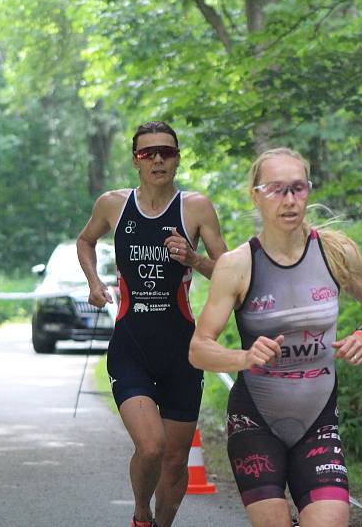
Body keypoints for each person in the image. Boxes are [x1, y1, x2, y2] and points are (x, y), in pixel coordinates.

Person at [189, 147, 362, 527]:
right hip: (255, 421)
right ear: (255, 195)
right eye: (276, 189)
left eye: (298, 188)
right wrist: (244, 357)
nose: (289, 200)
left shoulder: (336, 251)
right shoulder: (237, 265)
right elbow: (199, 350)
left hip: (318, 420)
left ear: (309, 192)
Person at [77, 121, 228, 527]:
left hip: (182, 349)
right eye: (148, 153)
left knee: (177, 460)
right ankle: (141, 515)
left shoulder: (195, 207)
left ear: (177, 159)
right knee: (151, 447)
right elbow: (85, 240)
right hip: (132, 346)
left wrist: (194, 260)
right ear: (135, 161)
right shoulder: (113, 204)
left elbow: (230, 272)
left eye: (167, 151)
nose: (158, 159)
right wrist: (94, 282)